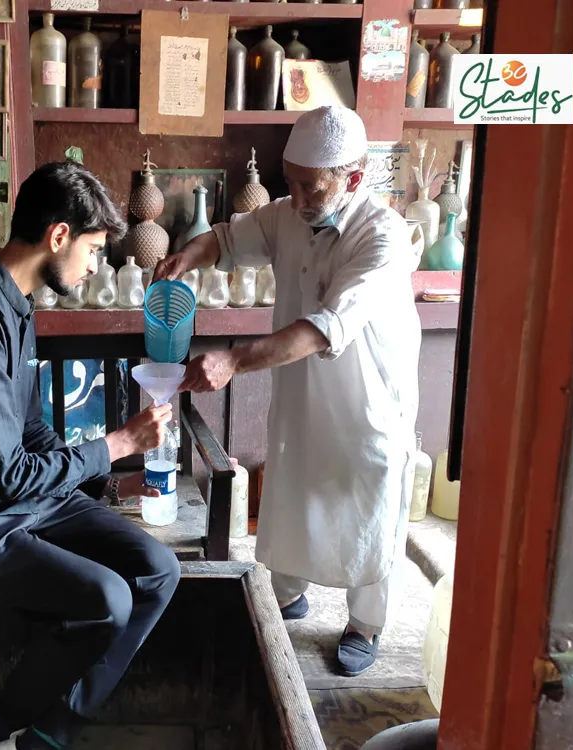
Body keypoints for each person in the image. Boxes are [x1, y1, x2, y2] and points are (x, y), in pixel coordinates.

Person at [0, 161, 181, 750]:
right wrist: (116, 445)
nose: (96, 265)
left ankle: (52, 731)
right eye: (94, 250)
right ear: (58, 236)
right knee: (107, 598)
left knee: (156, 570)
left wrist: (96, 480)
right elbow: (8, 473)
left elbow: (28, 430)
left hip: (12, 497)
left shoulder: (14, 305)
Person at [154, 106, 421, 677]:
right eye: (290, 180)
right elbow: (225, 240)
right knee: (294, 485)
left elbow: (324, 327)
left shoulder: (383, 236)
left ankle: (364, 624)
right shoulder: (287, 214)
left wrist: (232, 360)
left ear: (353, 177)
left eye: (309, 185)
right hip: (304, 395)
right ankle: (291, 594)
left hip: (366, 399)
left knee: (370, 500)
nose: (296, 197)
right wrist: (187, 260)